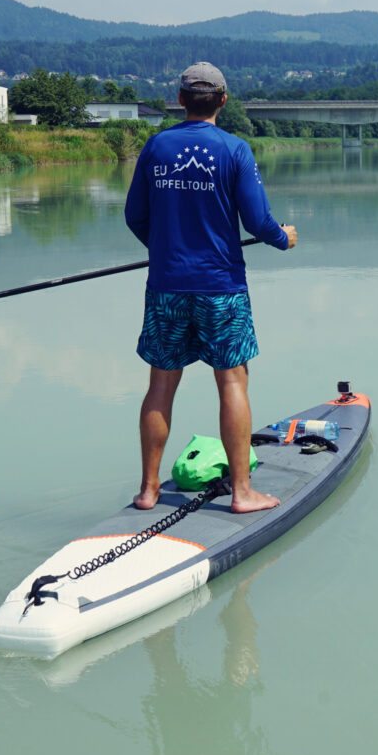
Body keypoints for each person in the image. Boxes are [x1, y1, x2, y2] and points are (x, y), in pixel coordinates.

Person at [124, 62, 296, 514]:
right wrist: (284, 237)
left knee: (161, 384)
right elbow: (258, 222)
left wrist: (165, 250)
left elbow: (134, 217)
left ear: (180, 100)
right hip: (221, 285)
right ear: (222, 100)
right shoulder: (235, 150)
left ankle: (147, 490)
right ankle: (242, 492)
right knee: (232, 381)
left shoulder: (156, 146)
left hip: (166, 286)